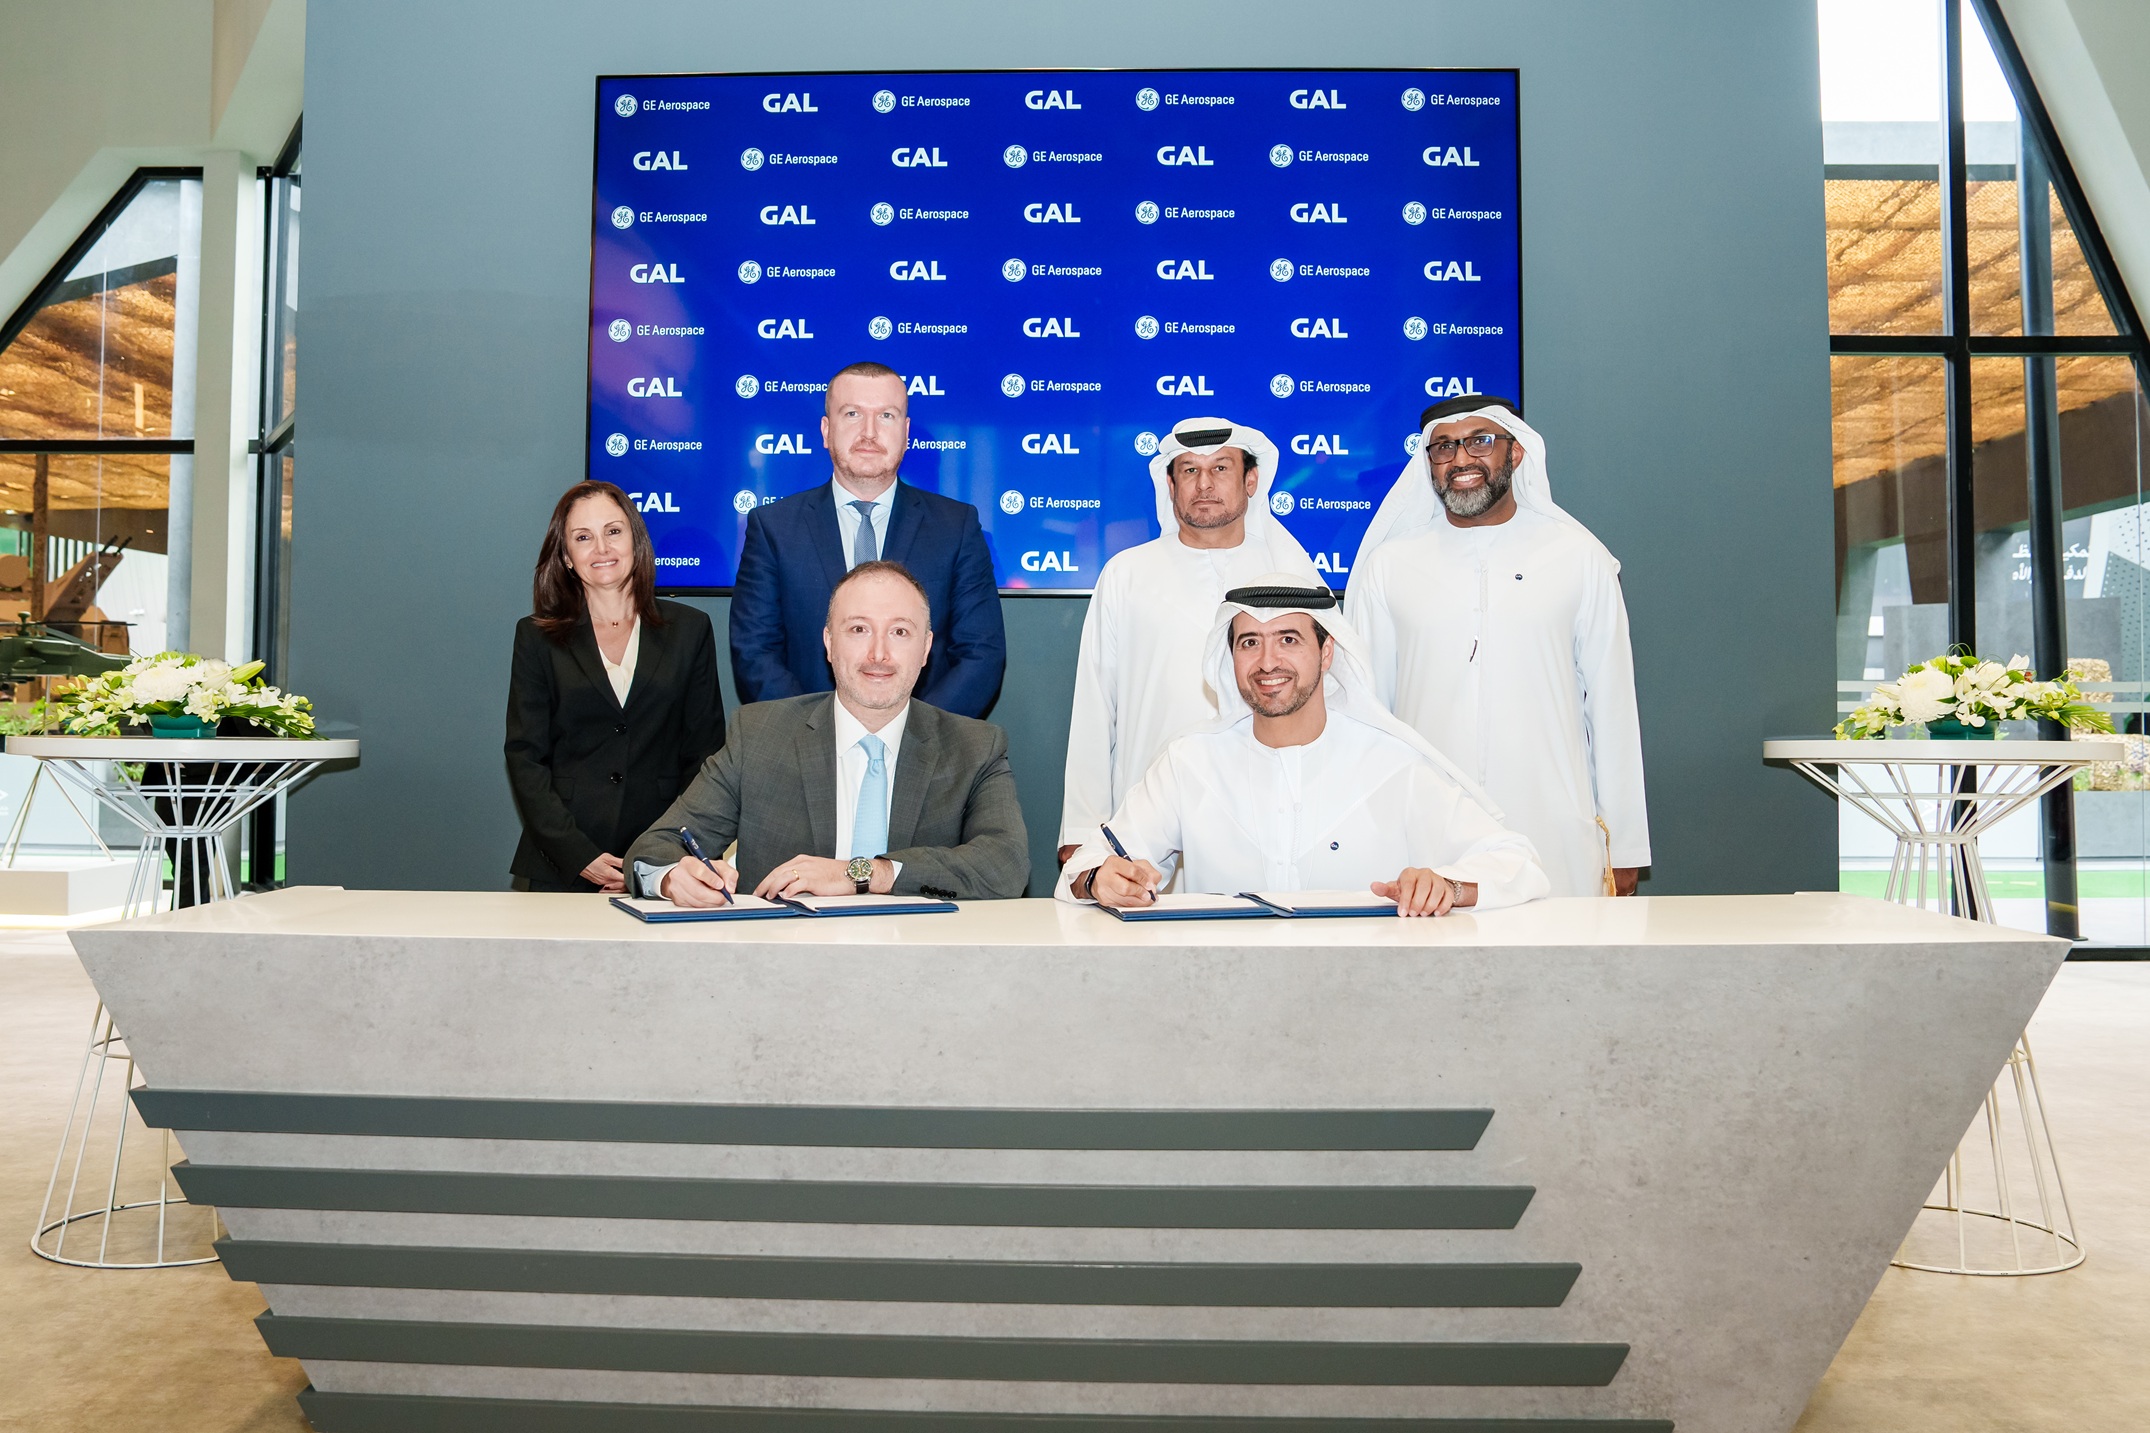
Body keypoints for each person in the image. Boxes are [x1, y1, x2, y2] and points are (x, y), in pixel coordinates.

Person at [1057, 579, 1548, 915]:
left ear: (1326, 651)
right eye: (1249, 642)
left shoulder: (1391, 762)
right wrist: (1100, 879)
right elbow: (1082, 868)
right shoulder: (1190, 762)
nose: (1267, 661)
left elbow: (1517, 863)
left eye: (1288, 639)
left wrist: (1448, 887)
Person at [1348, 396, 1649, 898]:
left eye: (1481, 441)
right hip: (1427, 834)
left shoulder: (1579, 557)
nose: (1461, 459)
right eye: (1444, 447)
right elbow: (1368, 714)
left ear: (1517, 453)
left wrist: (1627, 847)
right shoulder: (1389, 565)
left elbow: (1612, 709)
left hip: (1554, 828)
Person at [628, 560, 1028, 904]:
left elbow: (1006, 865)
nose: (878, 655)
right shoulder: (760, 736)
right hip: (782, 970)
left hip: (920, 970)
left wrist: (864, 874)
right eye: (858, 629)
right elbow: (654, 848)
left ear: (926, 649)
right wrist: (669, 879)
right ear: (829, 642)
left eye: (900, 632)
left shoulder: (975, 747)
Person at [1058, 417, 1322, 867]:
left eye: (1221, 468)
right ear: (1170, 483)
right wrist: (1083, 830)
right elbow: (1095, 705)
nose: (1204, 484)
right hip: (1145, 819)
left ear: (1251, 479)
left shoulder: (1289, 578)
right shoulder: (1127, 573)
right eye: (1189, 471)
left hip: (1265, 812)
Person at [730, 361, 1006, 717]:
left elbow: (980, 654)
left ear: (906, 433)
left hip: (926, 758)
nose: (870, 431)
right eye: (853, 414)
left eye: (886, 416)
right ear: (826, 430)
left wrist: (913, 738)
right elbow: (755, 651)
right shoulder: (773, 527)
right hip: (807, 754)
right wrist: (819, 736)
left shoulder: (957, 527)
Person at [506, 480, 725, 892]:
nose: (601, 549)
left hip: (664, 865)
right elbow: (525, 758)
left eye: (613, 531)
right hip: (563, 863)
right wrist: (578, 855)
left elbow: (704, 754)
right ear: (567, 557)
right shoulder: (536, 637)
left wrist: (661, 854)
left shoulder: (690, 630)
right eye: (583, 538)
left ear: (635, 540)